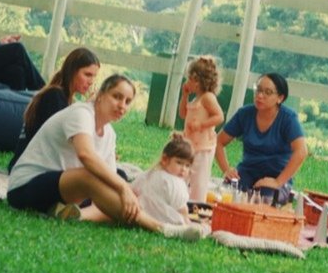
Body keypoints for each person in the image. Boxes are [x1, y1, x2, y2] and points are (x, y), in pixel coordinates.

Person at [6, 74, 203, 241]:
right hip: (25, 188)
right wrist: (124, 188)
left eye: (127, 102)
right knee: (92, 176)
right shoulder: (81, 113)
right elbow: (86, 156)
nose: (122, 106)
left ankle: (78, 216)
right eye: (116, 97)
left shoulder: (109, 134)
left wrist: (129, 193)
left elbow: (109, 178)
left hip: (61, 194)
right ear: (100, 95)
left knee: (118, 188)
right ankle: (160, 227)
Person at [215, 72, 309, 206]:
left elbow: (301, 151)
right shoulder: (245, 114)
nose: (260, 95)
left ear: (280, 98)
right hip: (247, 172)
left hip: (276, 176)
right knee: (229, 195)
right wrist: (226, 170)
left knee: (264, 201)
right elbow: (218, 141)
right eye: (258, 90)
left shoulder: (288, 118)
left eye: (268, 92)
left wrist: (277, 182)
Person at [20, 46, 101, 142]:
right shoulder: (54, 96)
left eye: (94, 76)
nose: (91, 81)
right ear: (72, 71)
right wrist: (86, 107)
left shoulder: (65, 99)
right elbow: (61, 137)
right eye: (87, 75)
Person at [177, 55, 224, 203]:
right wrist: (184, 96)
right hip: (190, 145)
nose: (187, 82)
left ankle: (197, 203)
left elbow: (219, 116)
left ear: (197, 81)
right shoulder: (195, 99)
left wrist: (201, 125)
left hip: (203, 147)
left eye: (189, 78)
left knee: (199, 179)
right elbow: (182, 114)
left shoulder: (208, 98)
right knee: (184, 174)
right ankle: (181, 200)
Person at [132, 133, 199, 231]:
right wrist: (187, 221)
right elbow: (182, 209)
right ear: (165, 160)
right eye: (179, 163)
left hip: (142, 216)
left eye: (187, 165)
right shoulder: (176, 183)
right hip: (166, 220)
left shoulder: (149, 173)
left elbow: (134, 190)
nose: (183, 169)